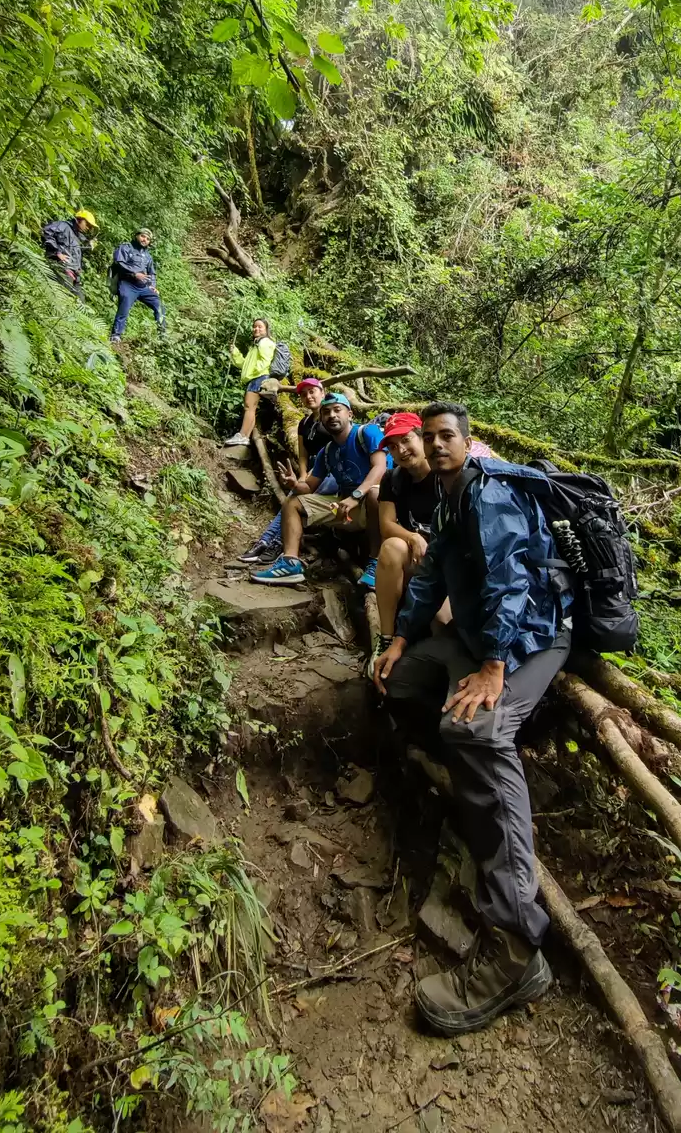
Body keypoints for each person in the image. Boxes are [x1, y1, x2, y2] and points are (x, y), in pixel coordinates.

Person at [373, 401, 571, 1036]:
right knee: (401, 681)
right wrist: (401, 638)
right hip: (486, 637)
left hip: (532, 640)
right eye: (427, 438)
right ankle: (454, 781)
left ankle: (516, 946)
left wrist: (493, 666)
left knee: (476, 731)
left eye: (444, 436)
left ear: (468, 440)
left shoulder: (490, 495)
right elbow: (431, 578)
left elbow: (514, 582)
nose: (433, 446)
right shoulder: (451, 499)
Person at [250, 392, 388, 589]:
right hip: (346, 508)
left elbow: (380, 468)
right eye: (326, 412)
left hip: (380, 505)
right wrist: (294, 485)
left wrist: (356, 496)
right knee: (293, 503)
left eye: (337, 410)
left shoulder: (367, 432)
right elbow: (309, 487)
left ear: (349, 414)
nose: (332, 415)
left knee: (374, 493)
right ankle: (290, 564)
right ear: (321, 419)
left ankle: (376, 564)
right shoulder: (328, 451)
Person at [237, 378, 334, 564]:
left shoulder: (331, 418)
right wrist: (303, 474)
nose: (308, 396)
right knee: (293, 497)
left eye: (312, 392)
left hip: (330, 472)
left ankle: (275, 542)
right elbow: (303, 454)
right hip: (313, 471)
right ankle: (265, 541)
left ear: (323, 392)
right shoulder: (304, 423)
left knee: (295, 500)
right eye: (304, 394)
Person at [374, 411, 441, 653]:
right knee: (392, 546)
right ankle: (385, 638)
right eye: (392, 446)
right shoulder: (393, 479)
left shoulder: (444, 473)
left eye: (405, 440)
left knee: (443, 622)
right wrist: (412, 537)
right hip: (415, 558)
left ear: (422, 438)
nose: (400, 450)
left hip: (446, 562)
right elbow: (387, 524)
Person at [223, 318, 278, 447]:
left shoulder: (265, 342)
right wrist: (235, 353)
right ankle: (245, 436)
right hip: (255, 377)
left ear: (266, 330)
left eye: (260, 327)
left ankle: (242, 435)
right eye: (255, 327)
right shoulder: (256, 345)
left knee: (249, 407)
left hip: (258, 377)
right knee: (251, 408)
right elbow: (244, 364)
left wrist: (254, 373)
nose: (256, 329)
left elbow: (265, 361)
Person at [110, 228, 165, 345]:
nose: (145, 240)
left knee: (158, 304)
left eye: (148, 239)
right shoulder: (126, 247)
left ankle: (162, 334)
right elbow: (119, 263)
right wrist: (134, 274)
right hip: (127, 283)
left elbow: (152, 273)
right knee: (124, 305)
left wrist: (152, 285)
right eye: (143, 236)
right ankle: (116, 335)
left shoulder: (147, 256)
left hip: (143, 287)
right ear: (136, 236)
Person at [42, 208, 98, 301]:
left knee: (80, 302)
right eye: (87, 224)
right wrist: (57, 252)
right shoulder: (63, 226)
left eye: (90, 226)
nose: (88, 227)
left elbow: (74, 251)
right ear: (79, 219)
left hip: (74, 274)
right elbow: (46, 231)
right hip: (62, 269)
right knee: (60, 299)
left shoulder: (78, 236)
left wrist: (78, 267)